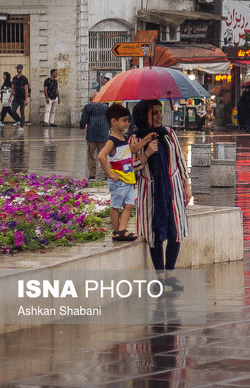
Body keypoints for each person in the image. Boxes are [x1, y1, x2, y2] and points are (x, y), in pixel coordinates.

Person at [129, 100, 191, 292]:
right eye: (154, 113)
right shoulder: (135, 139)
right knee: (154, 233)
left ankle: (170, 274)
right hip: (150, 191)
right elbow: (130, 168)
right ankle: (160, 277)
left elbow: (180, 160)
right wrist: (147, 153)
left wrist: (187, 184)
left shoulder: (169, 134)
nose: (159, 116)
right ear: (143, 115)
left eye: (160, 112)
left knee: (175, 231)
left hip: (173, 189)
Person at [98, 104, 142, 242]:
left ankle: (121, 230)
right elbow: (101, 156)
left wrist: (146, 140)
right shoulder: (112, 141)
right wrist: (109, 173)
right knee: (116, 206)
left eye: (128, 120)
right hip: (118, 180)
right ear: (114, 121)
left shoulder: (124, 138)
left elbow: (132, 149)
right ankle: (118, 231)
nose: (127, 123)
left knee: (129, 205)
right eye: (124, 120)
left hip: (128, 179)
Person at [80, 91, 110, 180]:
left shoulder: (88, 107)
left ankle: (92, 174)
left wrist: (82, 126)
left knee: (91, 156)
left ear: (91, 98)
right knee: (104, 155)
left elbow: (83, 120)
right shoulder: (106, 107)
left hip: (92, 135)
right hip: (103, 135)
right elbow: (110, 120)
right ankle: (107, 173)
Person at [9, 64, 29, 133]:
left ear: (21, 69)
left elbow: (26, 90)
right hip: (16, 97)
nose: (18, 69)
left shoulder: (24, 79)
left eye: (19, 68)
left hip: (22, 97)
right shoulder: (14, 78)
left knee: (22, 111)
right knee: (13, 110)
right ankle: (19, 120)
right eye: (17, 68)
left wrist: (26, 99)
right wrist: (10, 96)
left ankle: (21, 126)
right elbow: (12, 88)